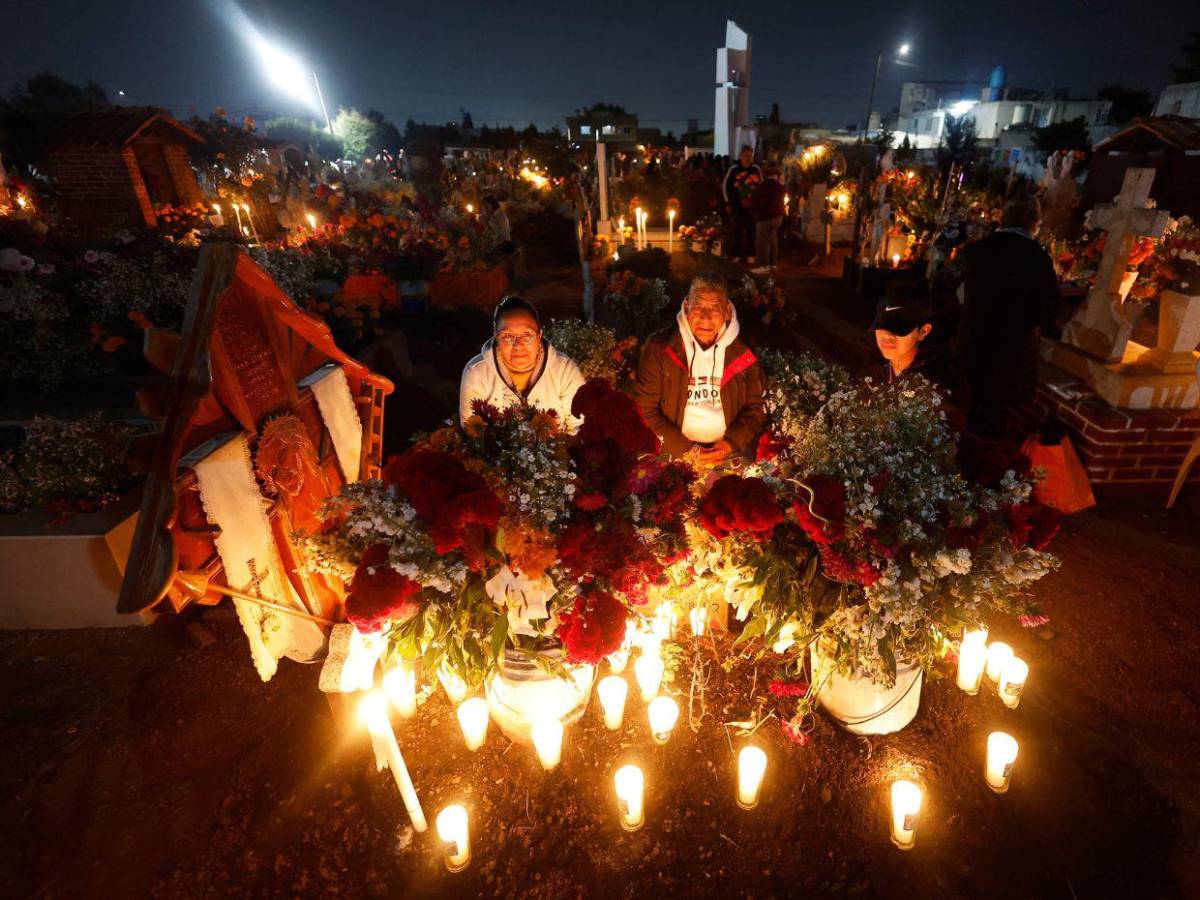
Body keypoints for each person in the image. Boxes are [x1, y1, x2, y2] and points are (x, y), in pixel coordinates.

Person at [954, 194, 1062, 438]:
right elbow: (1048, 310)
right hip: (1011, 353)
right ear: (1034, 223)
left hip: (972, 341)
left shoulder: (976, 251)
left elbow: (961, 293)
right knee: (992, 421)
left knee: (964, 408)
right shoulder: (1038, 257)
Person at [634, 272, 765, 466]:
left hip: (729, 454)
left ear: (728, 311)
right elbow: (644, 408)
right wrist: (685, 450)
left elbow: (756, 407)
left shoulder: (743, 351)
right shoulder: (660, 348)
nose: (705, 317)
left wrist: (731, 443)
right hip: (673, 453)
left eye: (714, 308)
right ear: (686, 307)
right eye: (698, 306)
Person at [459, 296, 585, 427]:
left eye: (527, 335)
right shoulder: (477, 372)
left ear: (539, 336)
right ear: (496, 337)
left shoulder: (564, 370)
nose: (518, 345)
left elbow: (579, 426)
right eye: (507, 336)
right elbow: (472, 430)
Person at [871, 285, 962, 404]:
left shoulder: (937, 387)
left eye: (899, 329)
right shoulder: (872, 366)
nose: (888, 335)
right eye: (882, 326)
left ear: (924, 331)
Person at [721, 145, 762, 265]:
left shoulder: (755, 168)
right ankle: (736, 254)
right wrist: (728, 202)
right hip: (737, 205)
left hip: (751, 206)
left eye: (750, 156)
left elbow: (761, 184)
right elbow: (725, 186)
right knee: (737, 230)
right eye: (745, 155)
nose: (748, 158)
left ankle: (751, 255)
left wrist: (758, 202)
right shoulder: (734, 169)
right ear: (740, 156)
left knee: (751, 230)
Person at [750, 162, 786, 274]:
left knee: (763, 240)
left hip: (765, 216)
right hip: (778, 216)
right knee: (773, 239)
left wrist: (753, 209)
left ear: (765, 174)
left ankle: (763, 264)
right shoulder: (780, 187)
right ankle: (773, 263)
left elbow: (758, 202)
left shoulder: (763, 186)